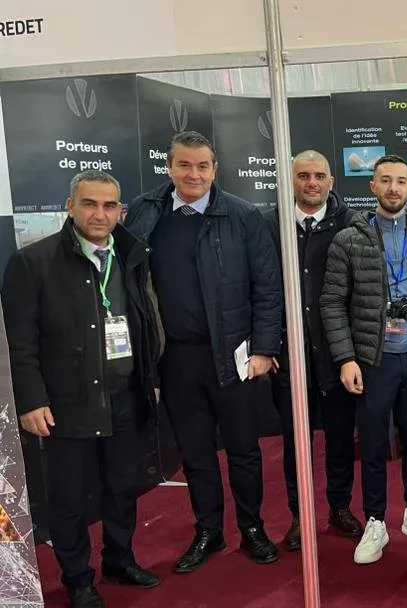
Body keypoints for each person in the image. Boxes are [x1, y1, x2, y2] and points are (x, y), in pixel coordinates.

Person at [124, 131, 283, 572]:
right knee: (195, 453)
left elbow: (268, 286)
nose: (193, 174)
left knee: (244, 451)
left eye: (202, 166)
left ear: (215, 169)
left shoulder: (243, 216)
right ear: (169, 167)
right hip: (175, 359)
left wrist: (264, 348)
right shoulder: (146, 212)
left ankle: (252, 528)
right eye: (184, 165)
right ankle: (209, 531)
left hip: (235, 355)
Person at [3, 171, 162, 608]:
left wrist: (150, 379)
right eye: (90, 204)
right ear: (70, 206)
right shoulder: (33, 263)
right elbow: (20, 342)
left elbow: (146, 322)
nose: (99, 214)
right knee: (69, 499)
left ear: (121, 212)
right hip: (66, 403)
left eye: (109, 206)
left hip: (125, 397)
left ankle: (119, 560)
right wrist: (32, 400)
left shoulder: (131, 254)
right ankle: (78, 579)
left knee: (123, 486)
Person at [321, 155, 407, 564]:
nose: (393, 188)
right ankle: (375, 520)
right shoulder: (349, 239)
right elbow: (332, 301)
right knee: (372, 443)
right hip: (374, 357)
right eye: (385, 180)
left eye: (401, 181)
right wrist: (346, 358)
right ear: (372, 186)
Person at [263, 150, 361, 551]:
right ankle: (300, 515)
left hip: (337, 353)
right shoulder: (269, 225)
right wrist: (268, 343)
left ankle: (339, 507)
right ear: (291, 181)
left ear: (331, 182)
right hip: (290, 354)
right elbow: (259, 288)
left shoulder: (352, 223)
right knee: (295, 442)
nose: (312, 183)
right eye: (303, 176)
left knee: (340, 438)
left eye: (319, 176)